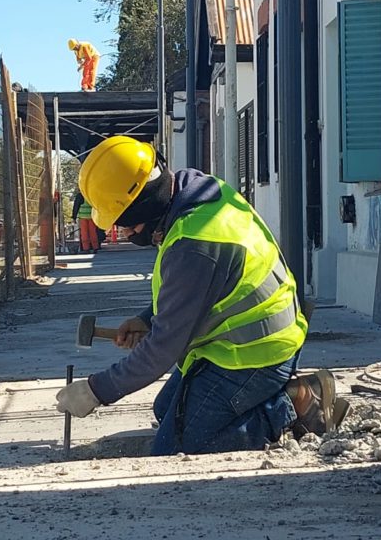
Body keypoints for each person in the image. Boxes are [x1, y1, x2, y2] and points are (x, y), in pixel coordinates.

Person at [55, 136, 349, 455]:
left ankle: (298, 400)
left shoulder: (194, 245)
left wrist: (97, 390)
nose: (125, 233)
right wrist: (147, 319)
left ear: (145, 205)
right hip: (238, 341)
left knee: (180, 446)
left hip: (258, 352)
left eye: (126, 224)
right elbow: (199, 288)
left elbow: (162, 350)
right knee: (165, 410)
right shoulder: (195, 190)